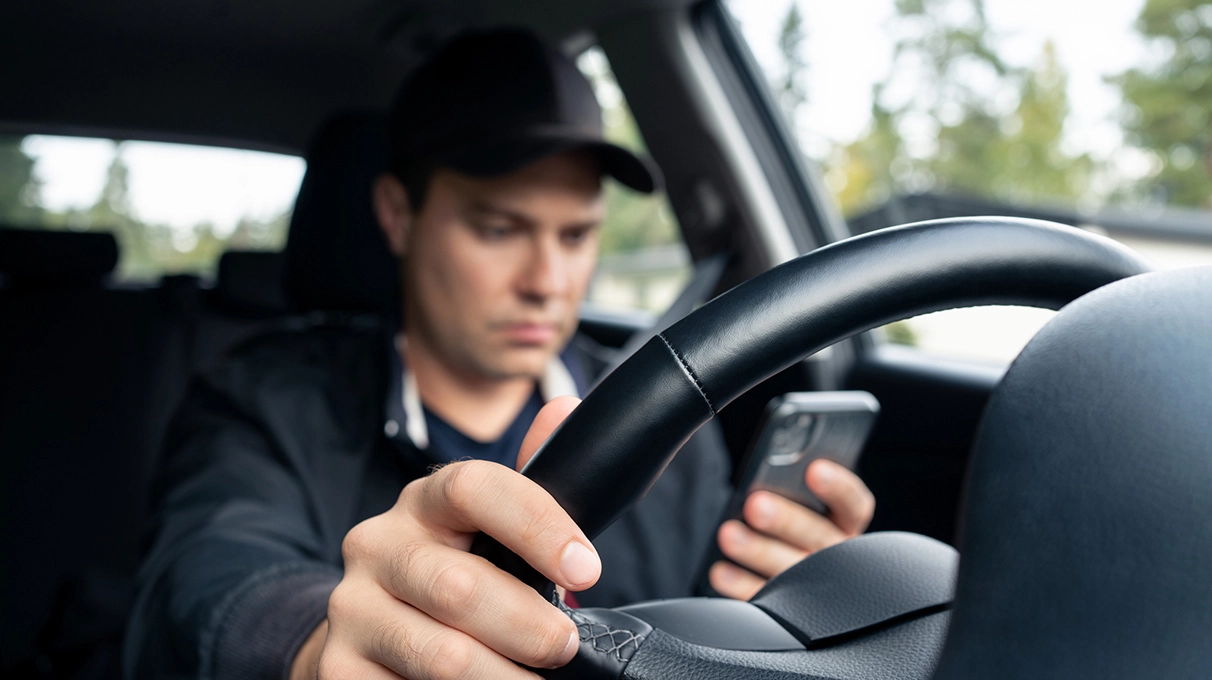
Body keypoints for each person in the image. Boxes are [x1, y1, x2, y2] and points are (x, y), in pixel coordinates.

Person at [124, 29, 875, 680]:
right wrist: (316, 645)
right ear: (397, 214)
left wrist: (786, 609)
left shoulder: (660, 417)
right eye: (498, 229)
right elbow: (207, 579)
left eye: (575, 236)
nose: (547, 283)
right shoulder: (261, 400)